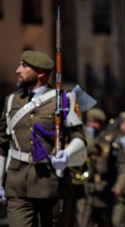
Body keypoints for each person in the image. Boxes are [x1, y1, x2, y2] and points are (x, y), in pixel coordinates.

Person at [0, 50, 87, 227]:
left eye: (24, 66)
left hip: (52, 184)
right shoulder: (11, 101)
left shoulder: (64, 99)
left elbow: (79, 137)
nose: (18, 70)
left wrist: (67, 156)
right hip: (17, 185)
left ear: (40, 72)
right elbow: (1, 144)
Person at [77, 108, 125, 227]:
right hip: (85, 188)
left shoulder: (112, 140)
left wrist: (119, 185)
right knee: (83, 222)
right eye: (89, 121)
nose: (92, 125)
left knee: (105, 222)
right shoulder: (82, 137)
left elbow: (123, 165)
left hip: (104, 188)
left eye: (95, 122)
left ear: (102, 123)